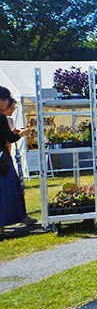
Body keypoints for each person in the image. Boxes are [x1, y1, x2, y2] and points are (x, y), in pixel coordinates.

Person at [0, 86, 34, 238]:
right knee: (6, 192)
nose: (7, 104)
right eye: (6, 100)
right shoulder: (0, 118)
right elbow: (10, 138)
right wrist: (22, 134)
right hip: (2, 160)